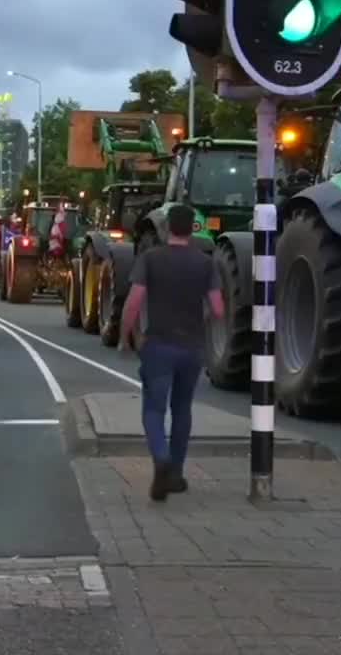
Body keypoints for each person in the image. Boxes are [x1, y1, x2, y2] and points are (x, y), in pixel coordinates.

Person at [119, 204, 224, 501]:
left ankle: (161, 458)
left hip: (158, 346)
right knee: (182, 409)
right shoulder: (206, 264)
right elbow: (218, 309)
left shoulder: (151, 259)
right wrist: (199, 316)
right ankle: (175, 474)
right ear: (192, 229)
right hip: (191, 349)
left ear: (166, 228)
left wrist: (127, 336)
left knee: (153, 409)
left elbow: (134, 302)